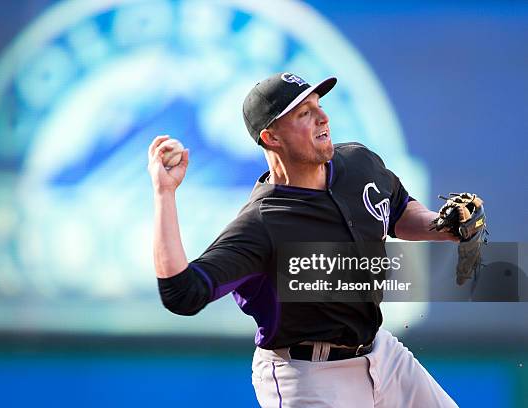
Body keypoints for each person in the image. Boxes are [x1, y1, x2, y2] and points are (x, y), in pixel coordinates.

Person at [147, 72, 459, 407]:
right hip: (308, 376)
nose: (322, 117)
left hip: (382, 354)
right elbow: (182, 293)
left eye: (318, 105)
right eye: (303, 113)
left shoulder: (358, 164)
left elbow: (397, 208)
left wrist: (440, 225)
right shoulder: (261, 224)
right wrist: (165, 194)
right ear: (272, 136)